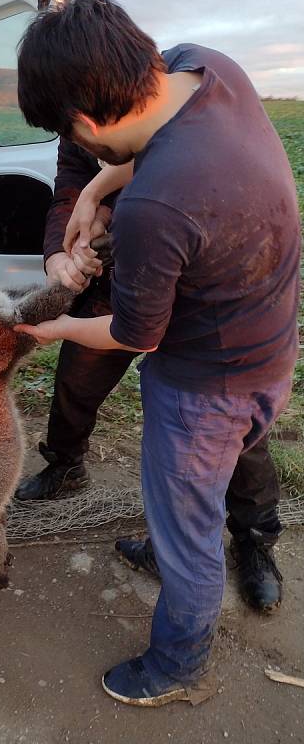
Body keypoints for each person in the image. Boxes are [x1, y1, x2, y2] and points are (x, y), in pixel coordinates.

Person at [15, 0, 299, 706]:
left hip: (207, 383)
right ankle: (177, 548)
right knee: (189, 502)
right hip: (269, 348)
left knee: (190, 536)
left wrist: (51, 329)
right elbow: (157, 149)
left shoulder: (156, 207)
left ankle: (177, 667)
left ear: (83, 125)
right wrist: (96, 189)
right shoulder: (210, 67)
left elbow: (134, 335)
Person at [15, 136, 286, 615]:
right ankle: (65, 463)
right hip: (117, 270)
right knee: (77, 378)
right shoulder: (74, 123)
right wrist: (63, 251)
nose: (75, 130)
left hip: (185, 278)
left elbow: (138, 331)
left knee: (228, 422)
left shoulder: (175, 117)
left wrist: (99, 203)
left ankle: (253, 538)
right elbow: (69, 188)